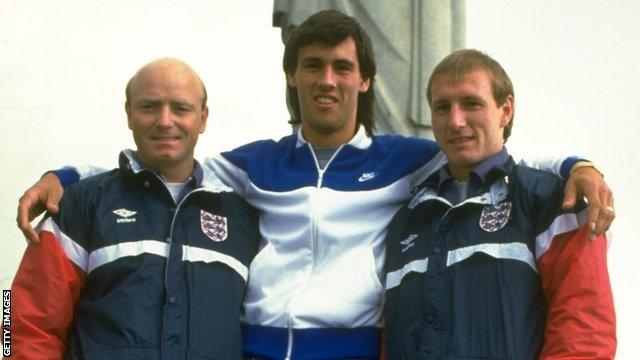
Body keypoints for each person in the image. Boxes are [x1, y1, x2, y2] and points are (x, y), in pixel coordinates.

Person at [16, 11, 614, 360]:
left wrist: (575, 165)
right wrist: (65, 177)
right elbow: (166, 163)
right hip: (255, 349)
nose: (327, 79)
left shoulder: (410, 160)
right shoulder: (250, 166)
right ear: (294, 78)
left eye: (343, 67)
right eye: (313, 66)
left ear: (362, 81)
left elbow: (486, 152)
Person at [10, 58, 259, 359]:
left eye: (180, 108)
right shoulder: (79, 204)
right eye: (149, 106)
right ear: (128, 113)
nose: (165, 121)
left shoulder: (242, 217)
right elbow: (22, 322)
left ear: (203, 118)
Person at [384, 49, 616, 359]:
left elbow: (584, 332)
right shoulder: (407, 218)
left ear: (505, 111)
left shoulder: (552, 199)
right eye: (442, 107)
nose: (455, 121)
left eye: (471, 104)